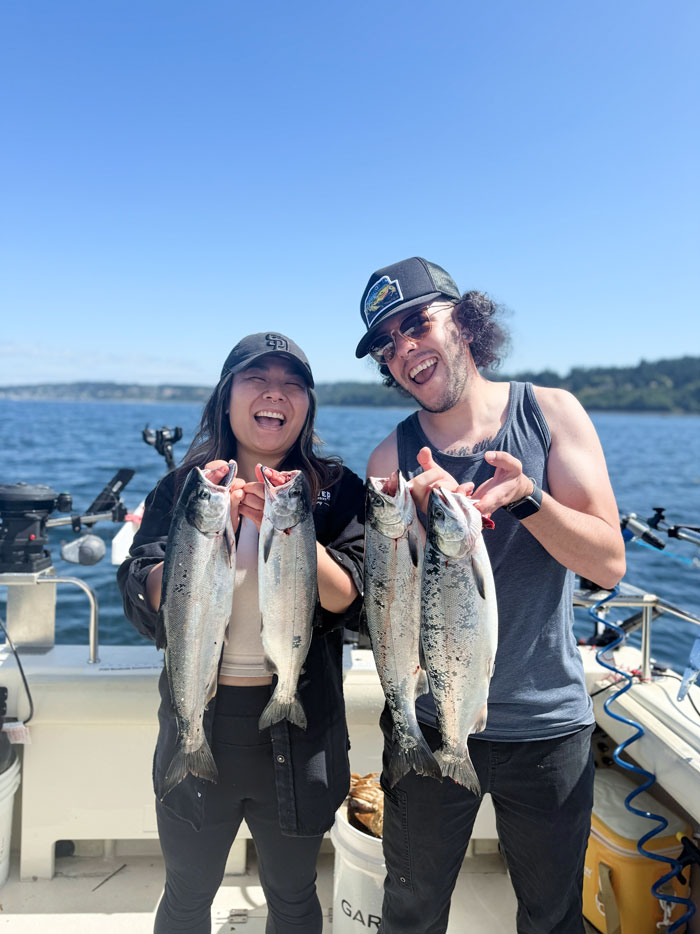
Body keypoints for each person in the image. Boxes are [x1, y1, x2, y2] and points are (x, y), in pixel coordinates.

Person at [356, 257, 626, 934]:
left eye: (417, 323)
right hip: (428, 724)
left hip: (546, 725)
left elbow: (608, 563)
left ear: (466, 321)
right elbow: (390, 608)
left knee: (552, 916)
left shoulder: (549, 413)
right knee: (411, 912)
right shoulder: (389, 461)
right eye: (386, 343)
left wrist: (529, 497)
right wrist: (418, 530)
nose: (404, 348)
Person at [118, 332, 365, 934]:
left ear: (307, 405)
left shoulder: (336, 490)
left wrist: (291, 524)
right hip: (198, 716)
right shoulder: (184, 488)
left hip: (300, 723)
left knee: (294, 895)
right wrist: (198, 535)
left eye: (292, 384)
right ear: (227, 397)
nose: (274, 393)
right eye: (257, 379)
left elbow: (354, 597)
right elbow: (140, 588)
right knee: (186, 894)